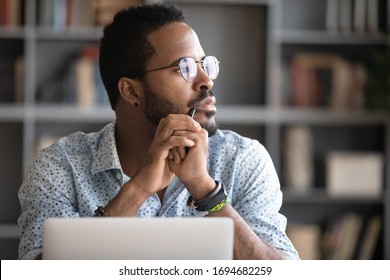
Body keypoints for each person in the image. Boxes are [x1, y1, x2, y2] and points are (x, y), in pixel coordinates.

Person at [18, 3, 299, 260]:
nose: (205, 80)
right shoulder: (61, 166)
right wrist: (138, 189)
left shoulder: (243, 158)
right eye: (184, 67)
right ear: (131, 91)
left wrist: (206, 192)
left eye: (205, 64)